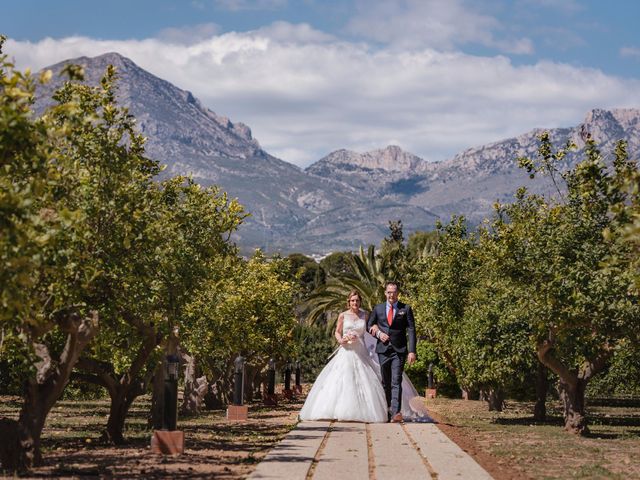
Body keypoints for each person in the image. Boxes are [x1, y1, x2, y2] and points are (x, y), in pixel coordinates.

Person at [299, 290, 388, 422]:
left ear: (360, 302)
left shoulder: (365, 315)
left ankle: (364, 410)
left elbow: (370, 329)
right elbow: (337, 332)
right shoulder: (343, 315)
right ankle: (335, 410)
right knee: (343, 377)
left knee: (364, 378)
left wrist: (375, 334)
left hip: (360, 351)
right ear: (349, 302)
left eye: (357, 300)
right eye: (352, 300)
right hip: (346, 351)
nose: (355, 303)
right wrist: (341, 340)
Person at [368, 281, 417, 423]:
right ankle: (388, 410)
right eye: (389, 292)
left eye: (394, 292)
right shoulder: (378, 309)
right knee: (386, 382)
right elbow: (369, 325)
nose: (391, 295)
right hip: (383, 350)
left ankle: (396, 413)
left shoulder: (405, 309)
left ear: (398, 293)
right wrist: (378, 334)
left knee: (396, 380)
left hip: (399, 351)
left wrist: (412, 351)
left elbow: (411, 330)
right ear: (385, 293)